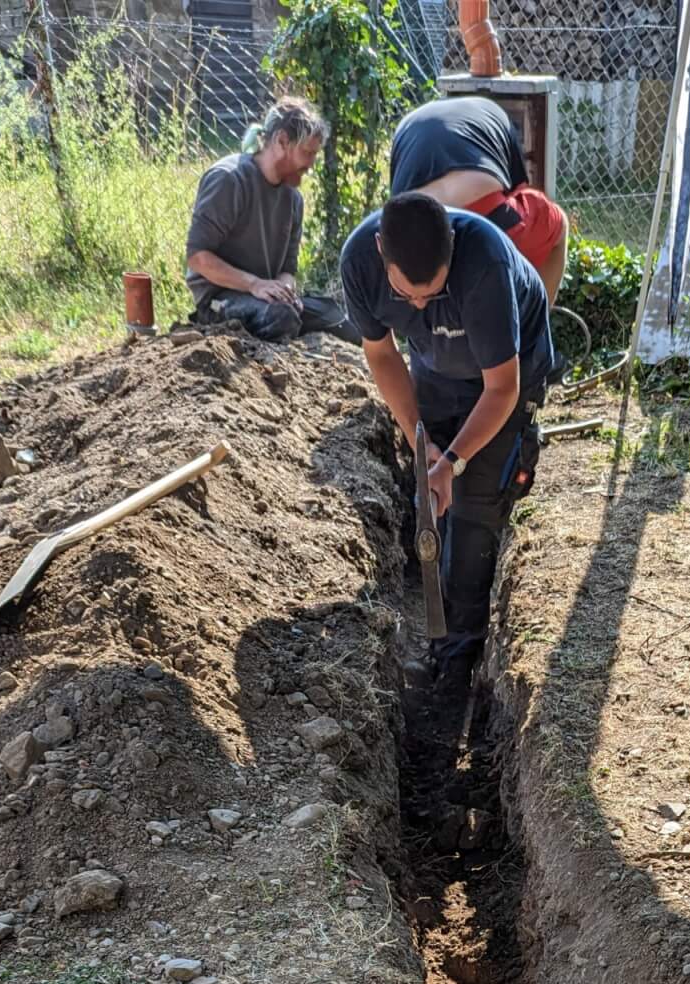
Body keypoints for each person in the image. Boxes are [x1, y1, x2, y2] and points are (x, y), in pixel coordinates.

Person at [340, 192, 551, 689]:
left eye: (431, 294)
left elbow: (501, 388)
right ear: (381, 250)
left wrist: (453, 461)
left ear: (451, 248)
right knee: (434, 504)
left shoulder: (484, 264)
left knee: (475, 507)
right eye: (406, 294)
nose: (417, 304)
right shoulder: (359, 263)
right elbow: (383, 355)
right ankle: (438, 640)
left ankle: (459, 665)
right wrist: (423, 445)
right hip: (435, 369)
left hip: (506, 374)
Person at [185, 98, 358, 344]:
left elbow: (287, 268)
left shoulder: (294, 199)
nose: (311, 164)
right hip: (220, 300)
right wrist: (254, 284)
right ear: (281, 141)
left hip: (265, 297)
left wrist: (286, 291)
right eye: (307, 153)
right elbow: (198, 257)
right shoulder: (229, 179)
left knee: (343, 320)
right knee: (281, 317)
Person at [389, 94, 568, 303]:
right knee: (558, 227)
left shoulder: (408, 124)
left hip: (416, 210)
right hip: (481, 203)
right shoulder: (496, 116)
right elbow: (522, 194)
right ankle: (536, 319)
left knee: (419, 284)